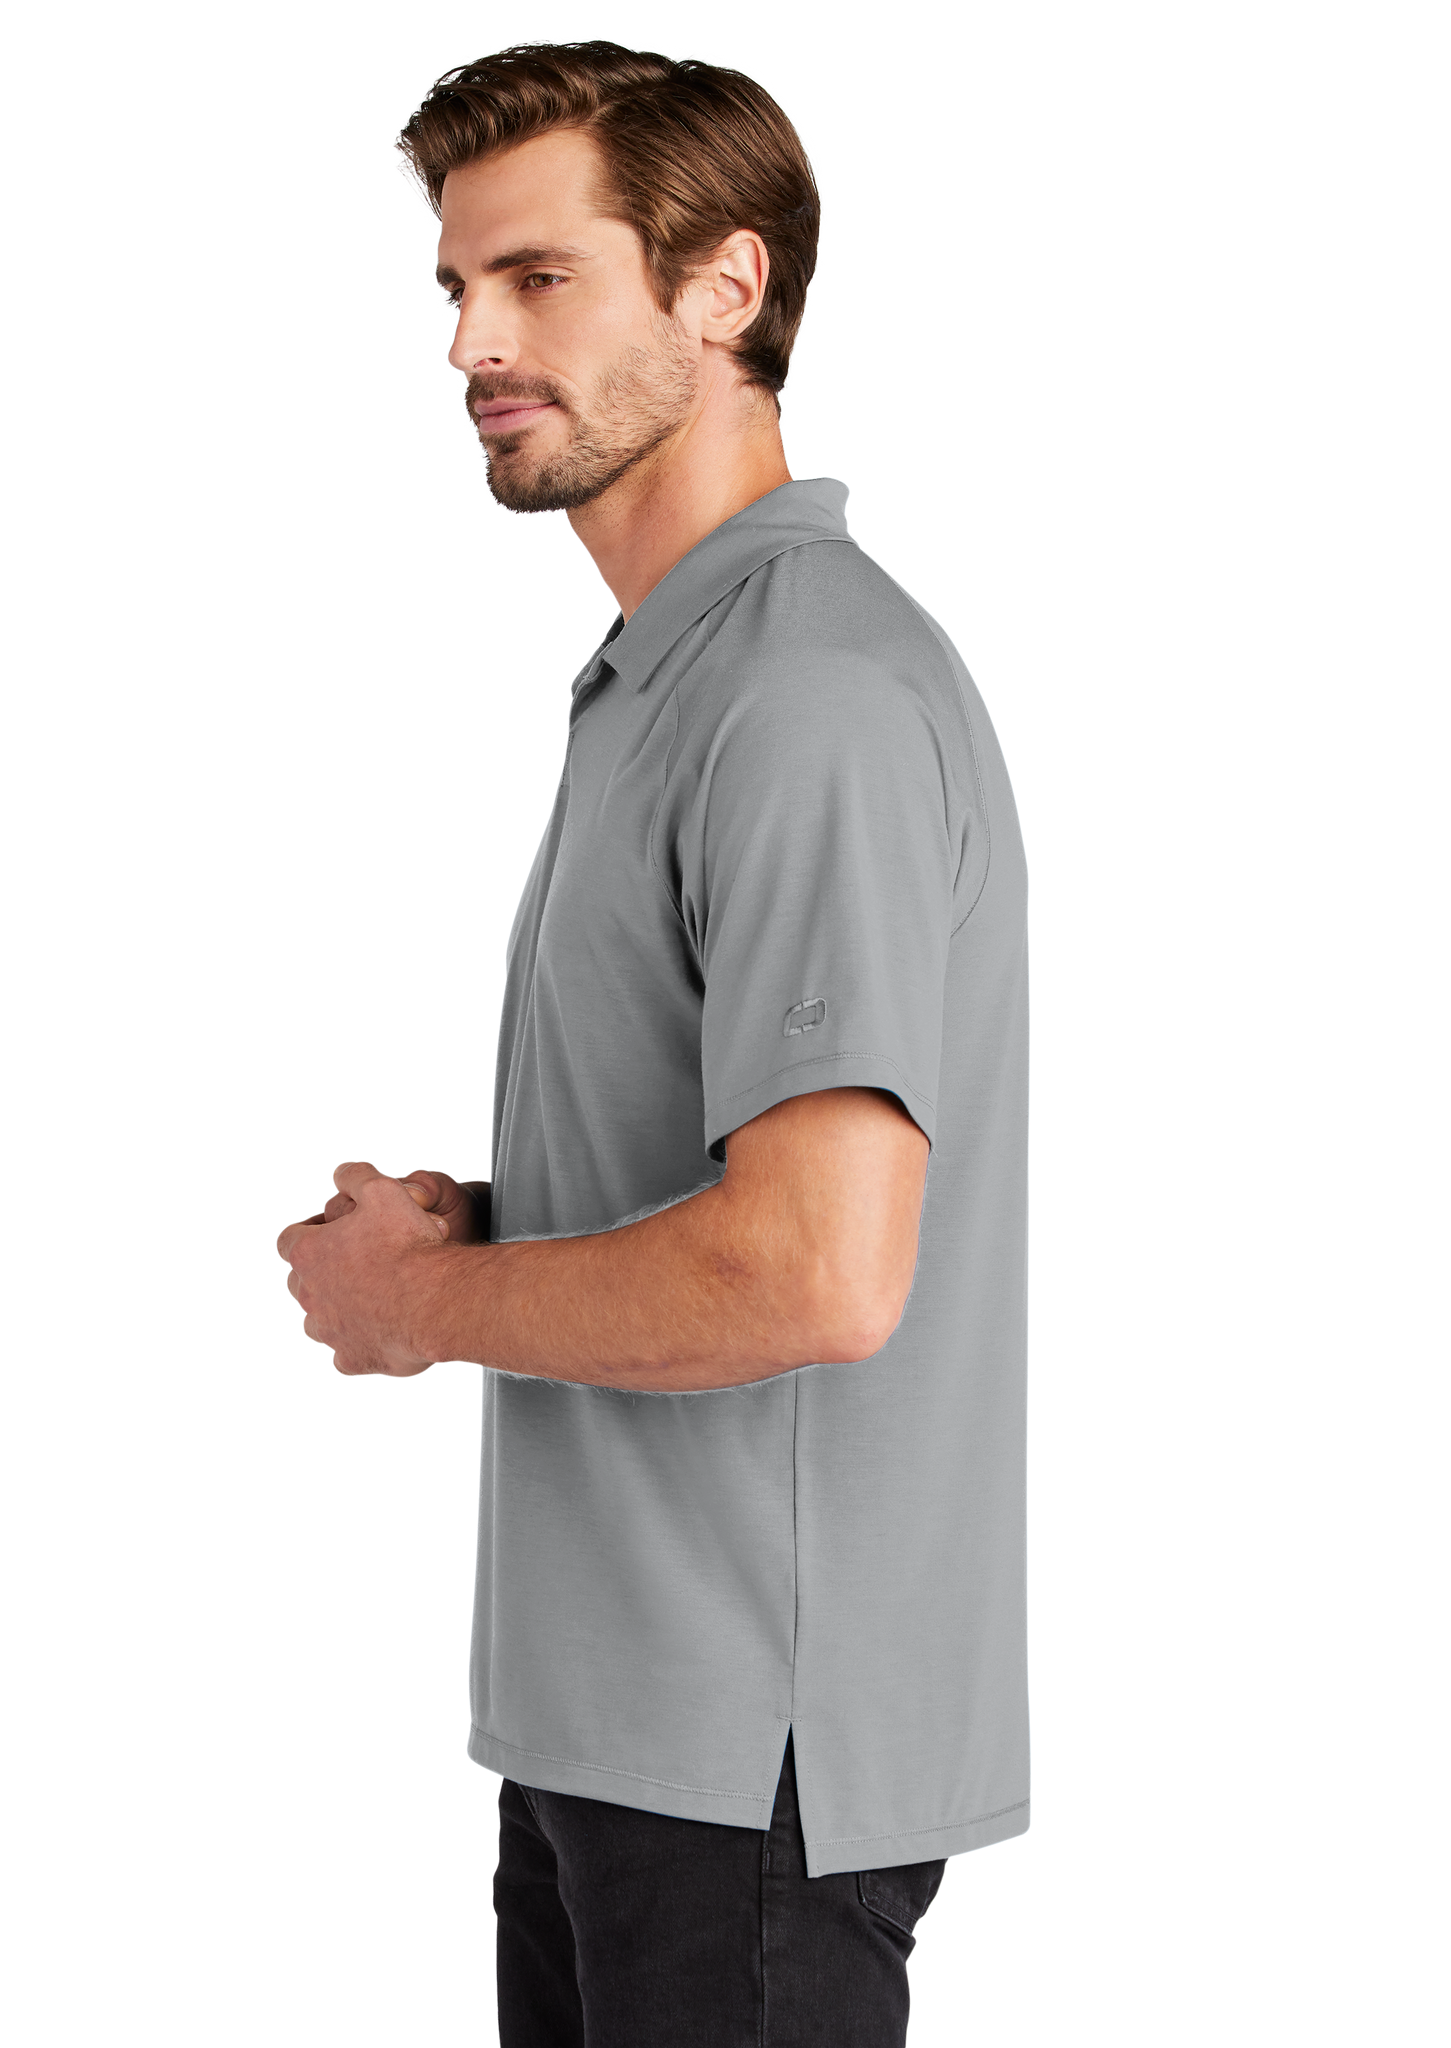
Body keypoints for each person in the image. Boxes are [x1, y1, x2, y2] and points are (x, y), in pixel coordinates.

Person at [274, 37, 1031, 2045]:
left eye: (541, 278)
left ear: (724, 287)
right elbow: (726, 1171)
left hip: (745, 1763)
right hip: (615, 1738)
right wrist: (492, 1217)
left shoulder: (806, 695)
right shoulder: (664, 677)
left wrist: (422, 1305)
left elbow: (815, 1268)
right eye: (456, 285)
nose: (474, 342)